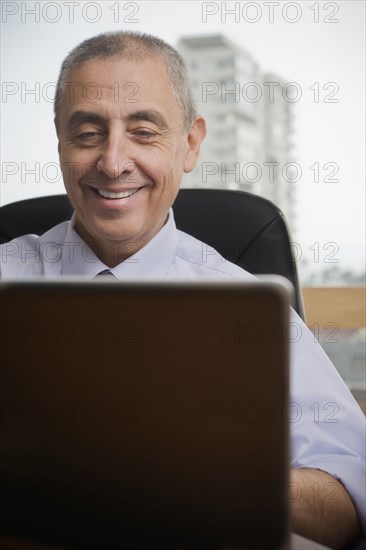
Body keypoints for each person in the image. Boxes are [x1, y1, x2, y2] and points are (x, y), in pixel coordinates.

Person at [0, 31, 365, 548]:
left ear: (190, 144)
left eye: (144, 131)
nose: (113, 161)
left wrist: (206, 476)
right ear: (60, 141)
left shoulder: (250, 310)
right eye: (87, 133)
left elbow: (347, 503)